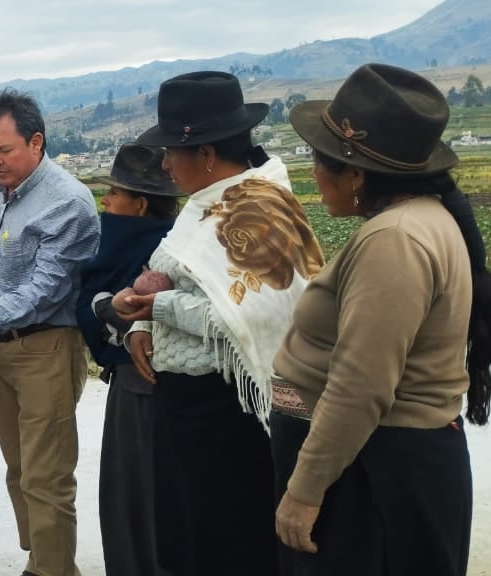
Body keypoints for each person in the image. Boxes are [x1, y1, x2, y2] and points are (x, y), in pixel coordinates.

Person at [272, 63, 491, 575]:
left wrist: (305, 488)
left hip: (374, 475)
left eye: (319, 160)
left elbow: (361, 384)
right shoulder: (417, 220)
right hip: (379, 464)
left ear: (356, 174)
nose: (311, 172)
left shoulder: (394, 242)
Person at [120, 71, 323, 576]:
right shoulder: (205, 206)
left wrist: (156, 311)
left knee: (228, 541)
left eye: (173, 152)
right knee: (187, 539)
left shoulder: (258, 208)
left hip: (228, 416)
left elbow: (255, 313)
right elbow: (165, 276)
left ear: (206, 155)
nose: (165, 164)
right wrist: (139, 328)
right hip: (184, 410)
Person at [0, 87, 100, 576]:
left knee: (47, 476)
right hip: (0, 348)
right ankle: (42, 562)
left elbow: (47, 289)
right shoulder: (0, 193)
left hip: (46, 344)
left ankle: (52, 569)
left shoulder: (67, 202)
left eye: (4, 150)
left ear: (37, 142)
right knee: (21, 471)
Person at [73, 144, 178, 576]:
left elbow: (120, 308)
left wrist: (105, 309)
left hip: (147, 388)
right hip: (126, 384)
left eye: (114, 194)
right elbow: (96, 301)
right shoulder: (121, 251)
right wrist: (102, 306)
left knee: (143, 500)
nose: (105, 203)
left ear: (138, 204)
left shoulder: (161, 254)